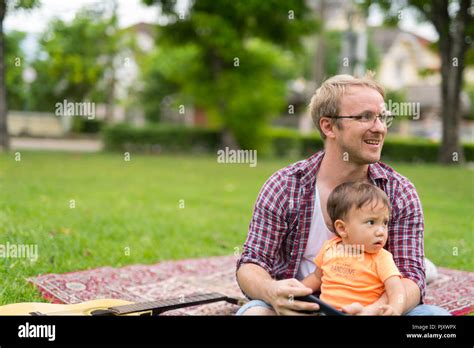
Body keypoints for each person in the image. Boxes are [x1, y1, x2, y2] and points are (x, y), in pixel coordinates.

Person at [235, 73, 450, 316]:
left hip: (375, 306)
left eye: (382, 117)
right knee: (255, 314)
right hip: (300, 308)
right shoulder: (285, 186)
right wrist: (271, 291)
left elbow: (411, 275)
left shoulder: (399, 191)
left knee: (435, 319)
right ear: (328, 126)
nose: (379, 128)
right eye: (365, 117)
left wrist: (375, 310)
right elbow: (252, 263)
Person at [301, 181, 405, 315]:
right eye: (371, 222)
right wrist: (296, 291)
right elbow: (316, 278)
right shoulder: (329, 248)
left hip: (364, 311)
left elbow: (397, 290)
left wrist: (395, 308)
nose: (381, 231)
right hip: (326, 311)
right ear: (342, 228)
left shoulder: (381, 258)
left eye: (384, 223)